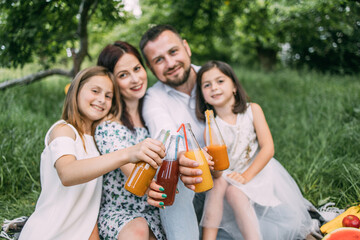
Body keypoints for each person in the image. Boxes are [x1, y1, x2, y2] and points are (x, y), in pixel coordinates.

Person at [18, 66, 163, 240]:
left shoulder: (96, 141)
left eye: (108, 96)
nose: (101, 99)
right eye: (95, 91)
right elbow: (68, 173)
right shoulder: (63, 130)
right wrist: (127, 154)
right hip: (50, 232)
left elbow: (91, 205)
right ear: (76, 91)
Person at [195, 60, 313, 240]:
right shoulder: (211, 127)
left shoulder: (252, 110)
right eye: (207, 85)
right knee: (219, 185)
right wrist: (214, 169)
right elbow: (219, 172)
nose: (214, 88)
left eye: (220, 81)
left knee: (235, 191)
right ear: (202, 95)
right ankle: (207, 238)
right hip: (229, 175)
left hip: (257, 171)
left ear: (234, 86)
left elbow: (268, 148)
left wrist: (246, 176)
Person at [139, 24, 230, 240]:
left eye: (173, 52)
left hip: (233, 174)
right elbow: (169, 138)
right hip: (196, 184)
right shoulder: (154, 99)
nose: (170, 63)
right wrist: (184, 160)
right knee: (172, 171)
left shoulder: (215, 78)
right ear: (151, 69)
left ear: (186, 48)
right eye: (159, 60)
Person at [95, 41, 166, 240]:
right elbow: (138, 178)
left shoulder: (152, 116)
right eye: (123, 75)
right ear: (111, 81)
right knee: (139, 230)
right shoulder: (109, 125)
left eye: (137, 69)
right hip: (122, 214)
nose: (135, 79)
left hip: (156, 212)